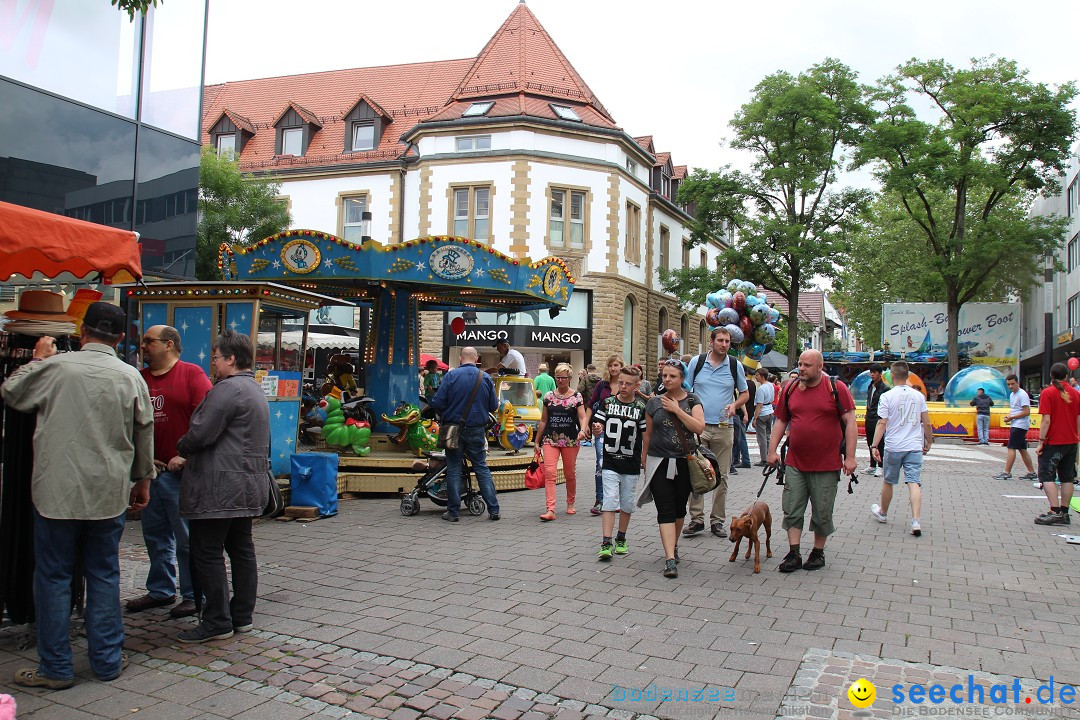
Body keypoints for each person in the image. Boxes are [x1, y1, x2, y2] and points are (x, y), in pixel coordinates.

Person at [2, 302, 155, 688]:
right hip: (107, 492)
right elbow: (143, 434)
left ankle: (55, 668)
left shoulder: (56, 367)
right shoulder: (131, 376)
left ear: (82, 331)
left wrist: (39, 359)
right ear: (120, 338)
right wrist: (143, 481)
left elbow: (12, 392)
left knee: (53, 577)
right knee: (103, 574)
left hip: (57, 492)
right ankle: (105, 661)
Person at [172, 331, 269, 643]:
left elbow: (201, 433)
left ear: (230, 359)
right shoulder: (254, 389)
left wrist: (182, 447)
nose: (212, 363)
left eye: (215, 357)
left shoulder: (228, 389)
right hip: (245, 483)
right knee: (241, 549)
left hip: (220, 485)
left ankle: (217, 620)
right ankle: (241, 615)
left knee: (207, 551)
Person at [126, 325, 212, 620]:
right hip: (152, 471)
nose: (143, 346)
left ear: (170, 344)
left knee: (186, 538)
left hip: (181, 473)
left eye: (149, 341)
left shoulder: (191, 375)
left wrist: (185, 455)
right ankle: (161, 589)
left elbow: (207, 420)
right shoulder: (141, 378)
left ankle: (192, 594)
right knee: (154, 535)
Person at [767, 350, 857, 573]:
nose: (802, 369)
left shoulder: (836, 388)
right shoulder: (790, 388)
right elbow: (781, 421)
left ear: (820, 366)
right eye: (800, 364)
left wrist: (851, 457)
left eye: (807, 365)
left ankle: (818, 552)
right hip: (796, 462)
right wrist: (772, 451)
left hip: (827, 464)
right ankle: (794, 552)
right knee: (792, 508)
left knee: (822, 511)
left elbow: (850, 422)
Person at [637, 359, 706, 578]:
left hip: (685, 462)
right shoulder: (653, 403)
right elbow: (647, 433)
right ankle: (669, 559)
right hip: (659, 462)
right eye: (664, 375)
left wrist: (677, 410)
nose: (667, 379)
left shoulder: (693, 400)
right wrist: (644, 458)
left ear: (682, 379)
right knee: (665, 509)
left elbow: (699, 428)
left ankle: (673, 545)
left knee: (678, 510)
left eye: (672, 376)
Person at [682, 328, 748, 539]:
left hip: (723, 427)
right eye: (720, 340)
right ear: (711, 341)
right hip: (698, 427)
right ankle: (697, 519)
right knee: (696, 472)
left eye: (727, 341)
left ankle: (717, 521)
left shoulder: (734, 365)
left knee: (722, 476)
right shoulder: (697, 362)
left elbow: (745, 393)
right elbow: (686, 389)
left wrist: (735, 404)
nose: (724, 344)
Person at [430, 347, 501, 521]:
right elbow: (493, 406)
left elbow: (438, 402)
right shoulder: (484, 378)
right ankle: (493, 509)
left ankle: (453, 512)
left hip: (453, 429)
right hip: (477, 429)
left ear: (461, 359)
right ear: (476, 359)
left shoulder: (451, 376)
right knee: (481, 468)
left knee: (454, 468)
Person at [869, 362, 933, 536]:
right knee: (914, 482)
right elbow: (926, 422)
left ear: (892, 375)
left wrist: (874, 445)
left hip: (894, 446)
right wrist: (929, 440)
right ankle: (916, 521)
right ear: (908, 375)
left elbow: (882, 422)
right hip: (914, 446)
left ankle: (883, 512)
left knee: (889, 481)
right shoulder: (918, 396)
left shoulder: (887, 396)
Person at [592, 365, 647, 560]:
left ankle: (621, 537)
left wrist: (644, 459)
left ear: (637, 385)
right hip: (610, 461)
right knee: (609, 500)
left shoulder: (641, 408)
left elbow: (645, 434)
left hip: (631, 463)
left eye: (628, 384)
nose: (623, 386)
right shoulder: (607, 403)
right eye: (621, 382)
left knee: (627, 503)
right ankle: (606, 541)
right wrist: (597, 429)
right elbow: (597, 426)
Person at [535, 363, 588, 520]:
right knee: (550, 473)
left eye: (563, 377)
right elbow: (544, 420)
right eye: (557, 377)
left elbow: (583, 416)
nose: (560, 380)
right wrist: (537, 440)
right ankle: (550, 509)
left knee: (569, 473)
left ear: (570, 379)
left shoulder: (576, 396)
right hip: (550, 439)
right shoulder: (548, 396)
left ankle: (570, 502)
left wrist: (583, 430)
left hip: (570, 440)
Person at [1033, 363, 1080, 526]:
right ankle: (1065, 512)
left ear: (1051, 376)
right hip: (1071, 441)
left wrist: (1040, 442)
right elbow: (1078, 418)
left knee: (1047, 475)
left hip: (1054, 441)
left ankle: (1055, 511)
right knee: (1067, 477)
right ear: (1066, 376)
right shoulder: (1075, 393)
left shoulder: (1048, 393)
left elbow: (1046, 419)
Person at [586, 355, 625, 515]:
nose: (613, 368)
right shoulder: (602, 385)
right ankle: (600, 500)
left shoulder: (626, 384)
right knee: (601, 463)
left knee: (620, 464)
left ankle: (615, 500)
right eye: (610, 365)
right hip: (601, 429)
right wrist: (584, 426)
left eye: (616, 365)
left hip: (622, 430)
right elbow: (590, 405)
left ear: (621, 366)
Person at [994, 375, 1038, 482]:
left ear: (1017, 382)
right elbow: (1015, 409)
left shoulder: (1022, 394)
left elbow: (1026, 411)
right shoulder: (1012, 395)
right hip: (1016, 423)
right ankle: (1032, 472)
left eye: (1012, 384)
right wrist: (1010, 417)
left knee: (1011, 447)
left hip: (1020, 425)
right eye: (1008, 384)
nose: (1010, 386)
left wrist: (1012, 417)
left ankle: (1007, 472)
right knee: (1022, 449)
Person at [865, 363, 891, 474]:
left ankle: (881, 466)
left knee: (879, 442)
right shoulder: (870, 386)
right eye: (871, 372)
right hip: (869, 417)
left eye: (874, 372)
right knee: (870, 442)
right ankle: (872, 465)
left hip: (878, 417)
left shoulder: (885, 388)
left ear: (880, 374)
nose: (872, 374)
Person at [752, 367, 775, 466]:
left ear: (762, 376)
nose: (756, 377)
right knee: (768, 436)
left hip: (762, 413)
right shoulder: (770, 385)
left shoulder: (761, 389)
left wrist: (755, 418)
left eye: (757, 375)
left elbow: (759, 404)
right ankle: (769, 455)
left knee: (761, 437)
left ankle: (764, 459)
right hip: (770, 411)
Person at [731, 372, 754, 471]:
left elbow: (741, 401)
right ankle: (736, 460)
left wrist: (745, 413)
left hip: (734, 415)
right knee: (739, 438)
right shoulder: (750, 384)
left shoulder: (736, 387)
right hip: (736, 415)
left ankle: (738, 462)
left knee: (738, 438)